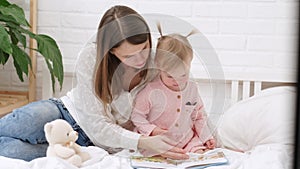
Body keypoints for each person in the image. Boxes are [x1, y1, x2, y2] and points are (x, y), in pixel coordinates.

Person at [0, 5, 189, 161]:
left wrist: (204, 136)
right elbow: (97, 125)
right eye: (129, 56)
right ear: (112, 51)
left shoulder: (158, 62)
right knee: (24, 123)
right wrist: (143, 142)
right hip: (66, 113)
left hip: (90, 145)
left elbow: (186, 95)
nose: (140, 59)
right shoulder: (92, 57)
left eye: (144, 48)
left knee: (13, 152)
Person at [131, 25, 216, 156]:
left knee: (199, 155)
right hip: (158, 142)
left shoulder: (192, 88)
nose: (177, 82)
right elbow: (137, 116)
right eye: (170, 76)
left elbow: (198, 117)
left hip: (187, 141)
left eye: (183, 75)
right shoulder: (150, 91)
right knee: (150, 155)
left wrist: (207, 137)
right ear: (158, 66)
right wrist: (153, 130)